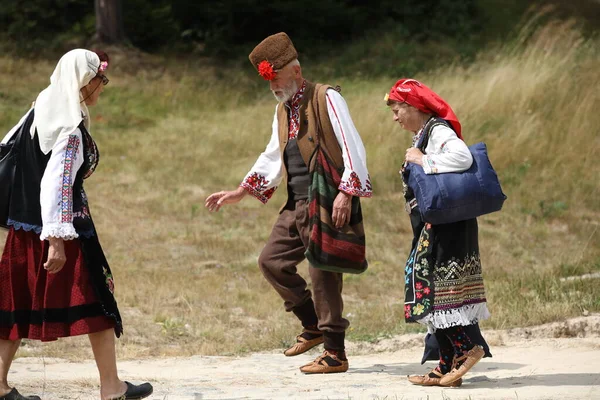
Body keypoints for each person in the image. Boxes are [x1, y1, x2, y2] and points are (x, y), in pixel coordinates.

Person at [205, 33, 371, 374]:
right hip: (296, 202)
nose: (272, 87)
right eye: (268, 81)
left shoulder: (327, 98)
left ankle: (335, 353)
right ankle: (311, 326)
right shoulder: (282, 110)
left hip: (326, 199)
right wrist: (241, 191)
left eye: (275, 79)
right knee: (272, 261)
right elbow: (271, 156)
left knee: (322, 272)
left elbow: (353, 145)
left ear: (296, 71)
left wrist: (347, 191)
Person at [0, 49, 153, 400]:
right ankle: (111, 387)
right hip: (64, 231)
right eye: (100, 79)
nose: (103, 86)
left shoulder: (39, 109)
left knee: (14, 305)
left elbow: (7, 150)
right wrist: (55, 239)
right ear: (84, 81)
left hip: (24, 231)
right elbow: (57, 182)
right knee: (96, 300)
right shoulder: (69, 125)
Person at [385, 78, 491, 387]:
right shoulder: (424, 134)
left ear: (414, 107)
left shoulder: (438, 131)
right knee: (429, 288)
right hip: (436, 225)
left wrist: (422, 161)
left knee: (429, 290)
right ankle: (444, 367)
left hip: (446, 227)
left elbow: (462, 157)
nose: (394, 117)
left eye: (396, 110)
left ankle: (468, 348)